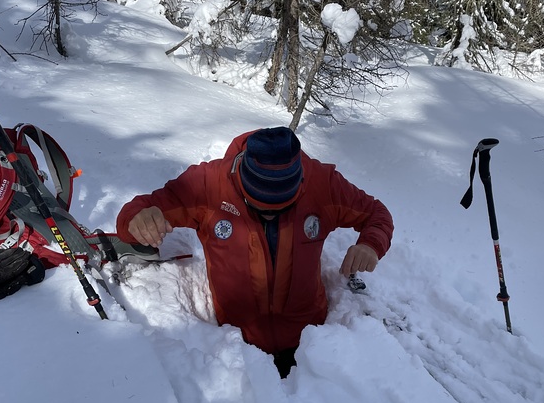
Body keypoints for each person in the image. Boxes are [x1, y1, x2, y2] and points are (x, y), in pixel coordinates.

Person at [116, 126, 393, 377]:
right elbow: (133, 216)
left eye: (283, 209)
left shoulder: (323, 184)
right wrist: (138, 219)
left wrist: (371, 244)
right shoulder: (208, 184)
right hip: (238, 348)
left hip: (313, 340)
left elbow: (376, 214)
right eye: (259, 208)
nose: (270, 218)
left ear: (299, 183)